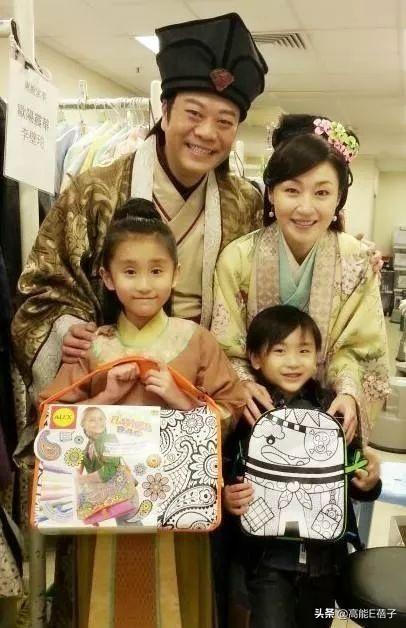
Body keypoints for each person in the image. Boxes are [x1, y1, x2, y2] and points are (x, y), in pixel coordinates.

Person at [12, 12, 267, 405]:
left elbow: (259, 296)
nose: (206, 133)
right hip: (116, 379)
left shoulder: (245, 202)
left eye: (225, 121)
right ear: (165, 112)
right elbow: (43, 286)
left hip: (204, 380)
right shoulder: (94, 190)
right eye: (194, 114)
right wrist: (68, 328)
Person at [38, 198, 245, 628]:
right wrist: (105, 397)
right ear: (107, 277)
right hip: (105, 505)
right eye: (129, 272)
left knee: (176, 602)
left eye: (156, 270)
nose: (145, 284)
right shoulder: (94, 346)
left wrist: (181, 398)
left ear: (176, 274)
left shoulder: (197, 341)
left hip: (177, 506)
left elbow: (231, 407)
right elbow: (53, 422)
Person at [211, 114, 390, 443]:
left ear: (339, 198)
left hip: (326, 415)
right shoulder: (238, 258)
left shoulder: (357, 261)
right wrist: (243, 381)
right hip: (255, 417)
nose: (305, 208)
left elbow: (361, 349)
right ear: (271, 194)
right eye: (292, 190)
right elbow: (226, 345)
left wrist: (348, 392)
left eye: (322, 193)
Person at [223, 305, 382, 628]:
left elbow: (354, 475)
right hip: (266, 562)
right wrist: (227, 496)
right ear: (255, 359)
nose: (293, 362)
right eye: (279, 351)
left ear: (318, 357)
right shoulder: (247, 412)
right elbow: (225, 467)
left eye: (304, 351)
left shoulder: (334, 408)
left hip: (325, 562)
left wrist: (368, 483)